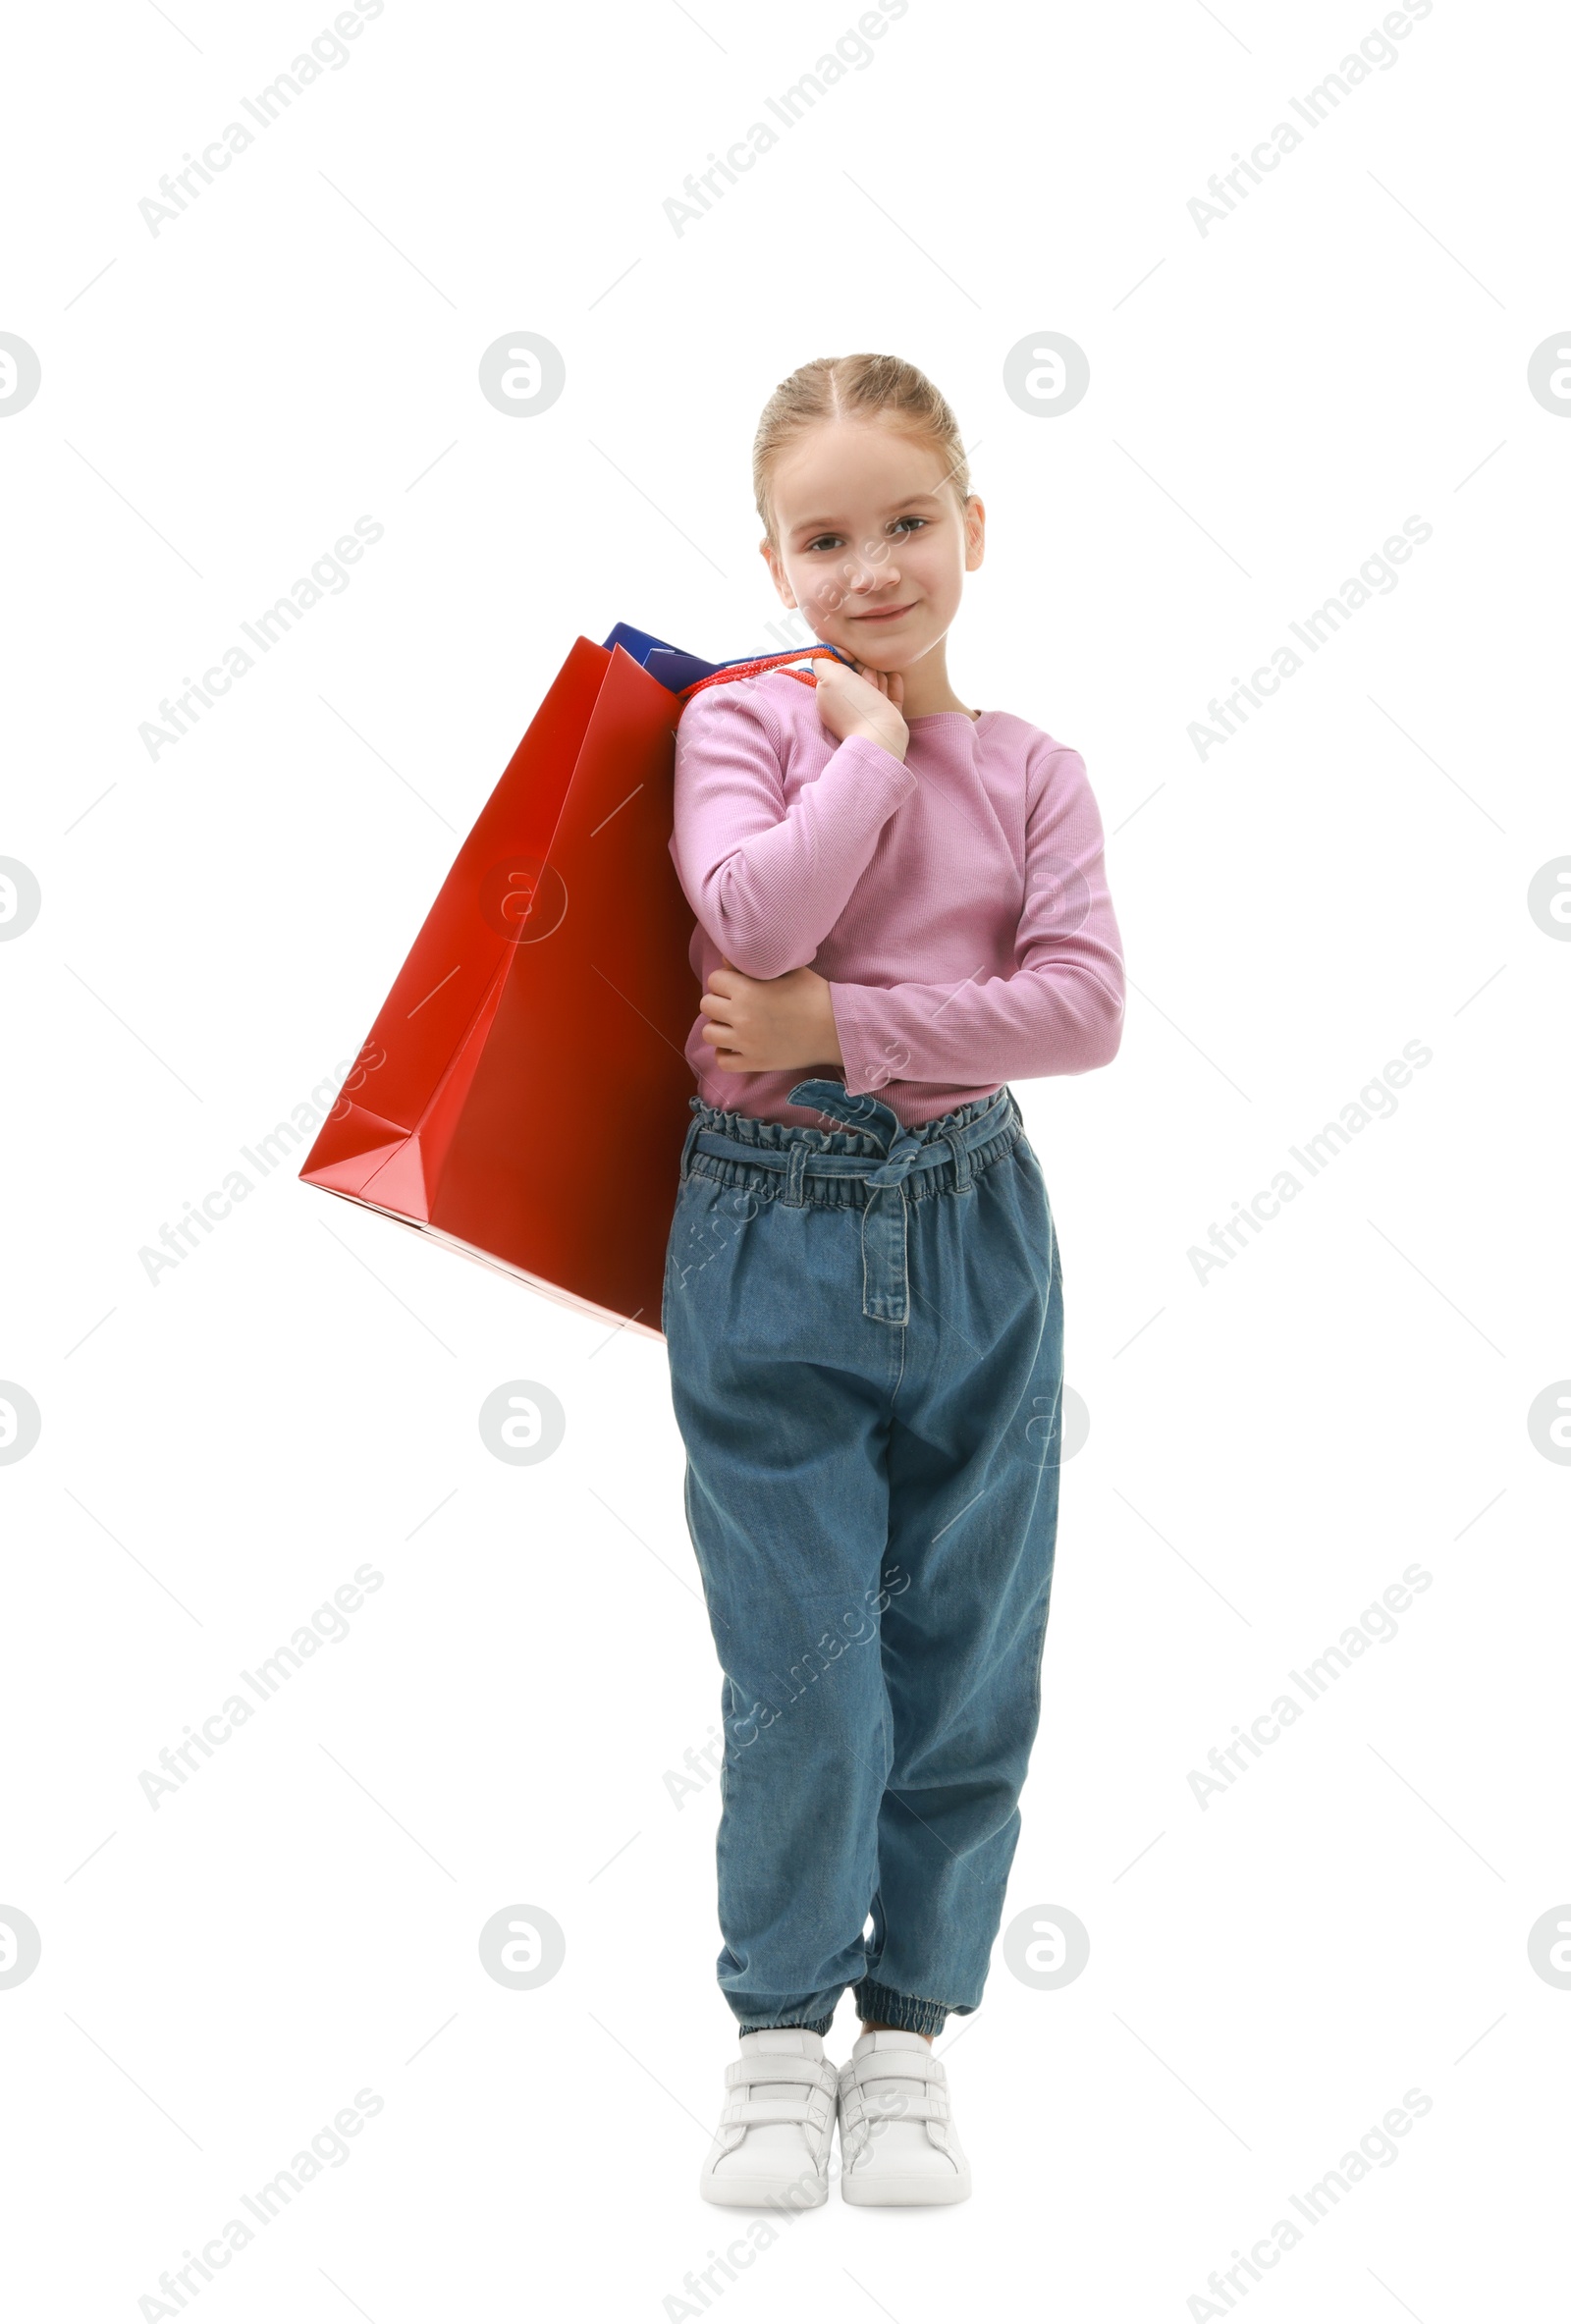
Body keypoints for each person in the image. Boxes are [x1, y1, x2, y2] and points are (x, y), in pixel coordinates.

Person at [661, 352, 1124, 2208]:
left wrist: (837, 1023)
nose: (873, 568)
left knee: (966, 1656)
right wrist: (863, 751)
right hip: (769, 1230)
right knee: (805, 1669)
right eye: (827, 537)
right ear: (774, 562)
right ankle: (780, 2033)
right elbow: (747, 920)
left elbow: (1080, 1011)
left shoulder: (1035, 772)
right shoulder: (748, 735)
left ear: (973, 532)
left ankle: (910, 2032)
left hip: (975, 1225)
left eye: (908, 523)